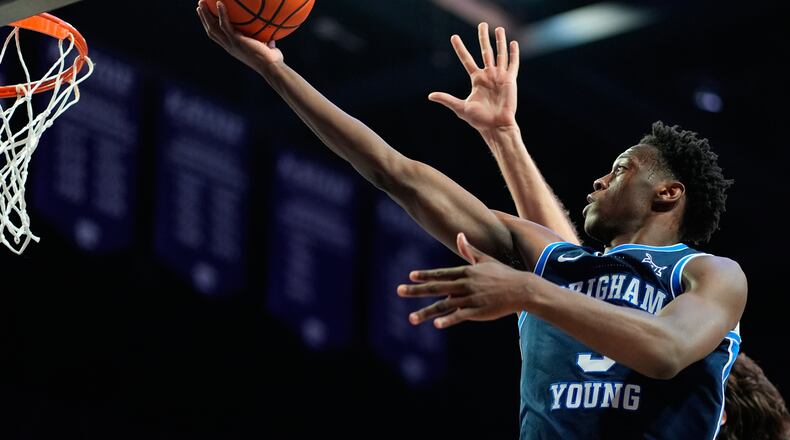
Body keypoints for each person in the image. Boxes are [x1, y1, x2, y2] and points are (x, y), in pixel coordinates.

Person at [197, 4, 747, 438]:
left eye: (621, 169)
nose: (600, 181)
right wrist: (275, 71)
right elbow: (397, 173)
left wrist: (527, 292)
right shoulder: (558, 264)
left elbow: (665, 351)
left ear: (668, 193)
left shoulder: (708, 273)